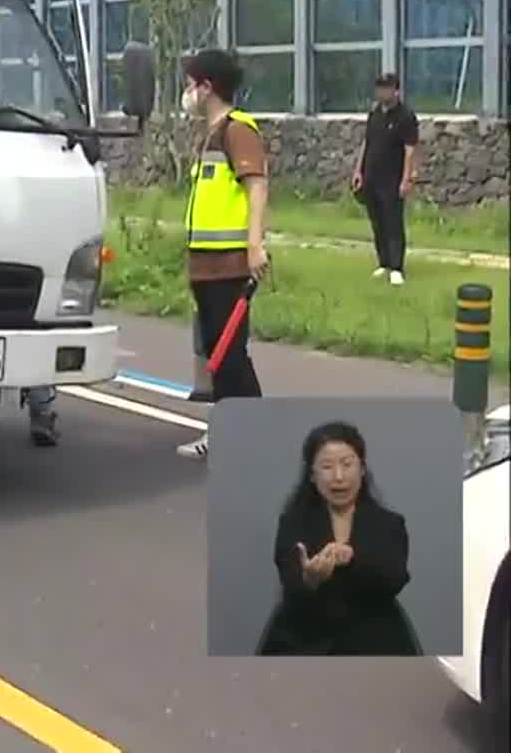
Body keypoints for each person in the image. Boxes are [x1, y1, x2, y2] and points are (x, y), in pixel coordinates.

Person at [256, 420, 420, 656]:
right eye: (327, 466)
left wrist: (353, 559)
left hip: (376, 640)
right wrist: (310, 578)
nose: (339, 476)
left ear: (362, 469)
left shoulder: (389, 523)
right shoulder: (293, 521)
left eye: (347, 464)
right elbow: (290, 581)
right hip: (303, 641)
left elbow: (395, 579)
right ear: (312, 475)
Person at [177, 49, 269, 459]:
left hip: (230, 266)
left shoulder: (237, 130)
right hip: (206, 266)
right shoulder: (210, 134)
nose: (187, 93)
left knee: (231, 356)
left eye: (190, 83)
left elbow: (257, 186)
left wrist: (254, 246)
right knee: (218, 356)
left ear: (206, 87)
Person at [351, 73, 419, 287]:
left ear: (396, 91)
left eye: (386, 88)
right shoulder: (374, 114)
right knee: (377, 222)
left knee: (393, 223)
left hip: (392, 178)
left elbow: (410, 150)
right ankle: (384, 263)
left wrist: (406, 179)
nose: (382, 92)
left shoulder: (406, 116)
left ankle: (397, 267)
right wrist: (358, 171)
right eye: (379, 88)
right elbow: (366, 143)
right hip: (371, 175)